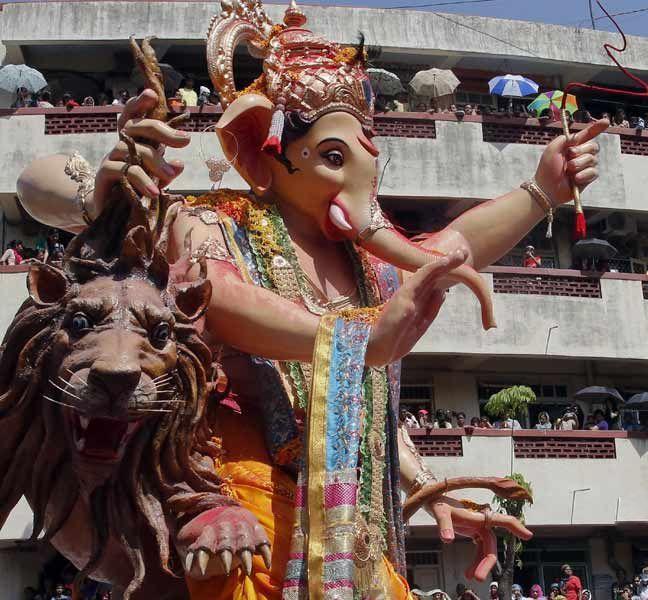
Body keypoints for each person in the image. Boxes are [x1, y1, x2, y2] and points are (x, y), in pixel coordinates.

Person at [15, 0, 605, 594]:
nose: (354, 183)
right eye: (329, 159)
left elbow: (452, 249)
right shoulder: (212, 223)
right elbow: (214, 293)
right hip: (234, 500)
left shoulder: (368, 269)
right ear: (263, 152)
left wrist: (541, 190)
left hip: (351, 523)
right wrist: (355, 339)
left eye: (364, 161)